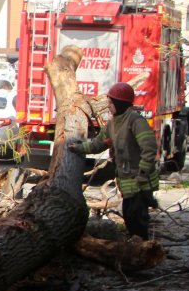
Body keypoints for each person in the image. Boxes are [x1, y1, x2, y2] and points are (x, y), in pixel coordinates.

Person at [67, 81, 159, 239]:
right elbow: (97, 144)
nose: (108, 106)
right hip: (127, 182)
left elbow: (149, 149)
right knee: (130, 218)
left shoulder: (135, 121)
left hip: (140, 182)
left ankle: (141, 250)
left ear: (120, 103)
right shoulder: (112, 124)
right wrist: (79, 148)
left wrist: (142, 174)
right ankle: (135, 248)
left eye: (111, 102)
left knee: (137, 219)